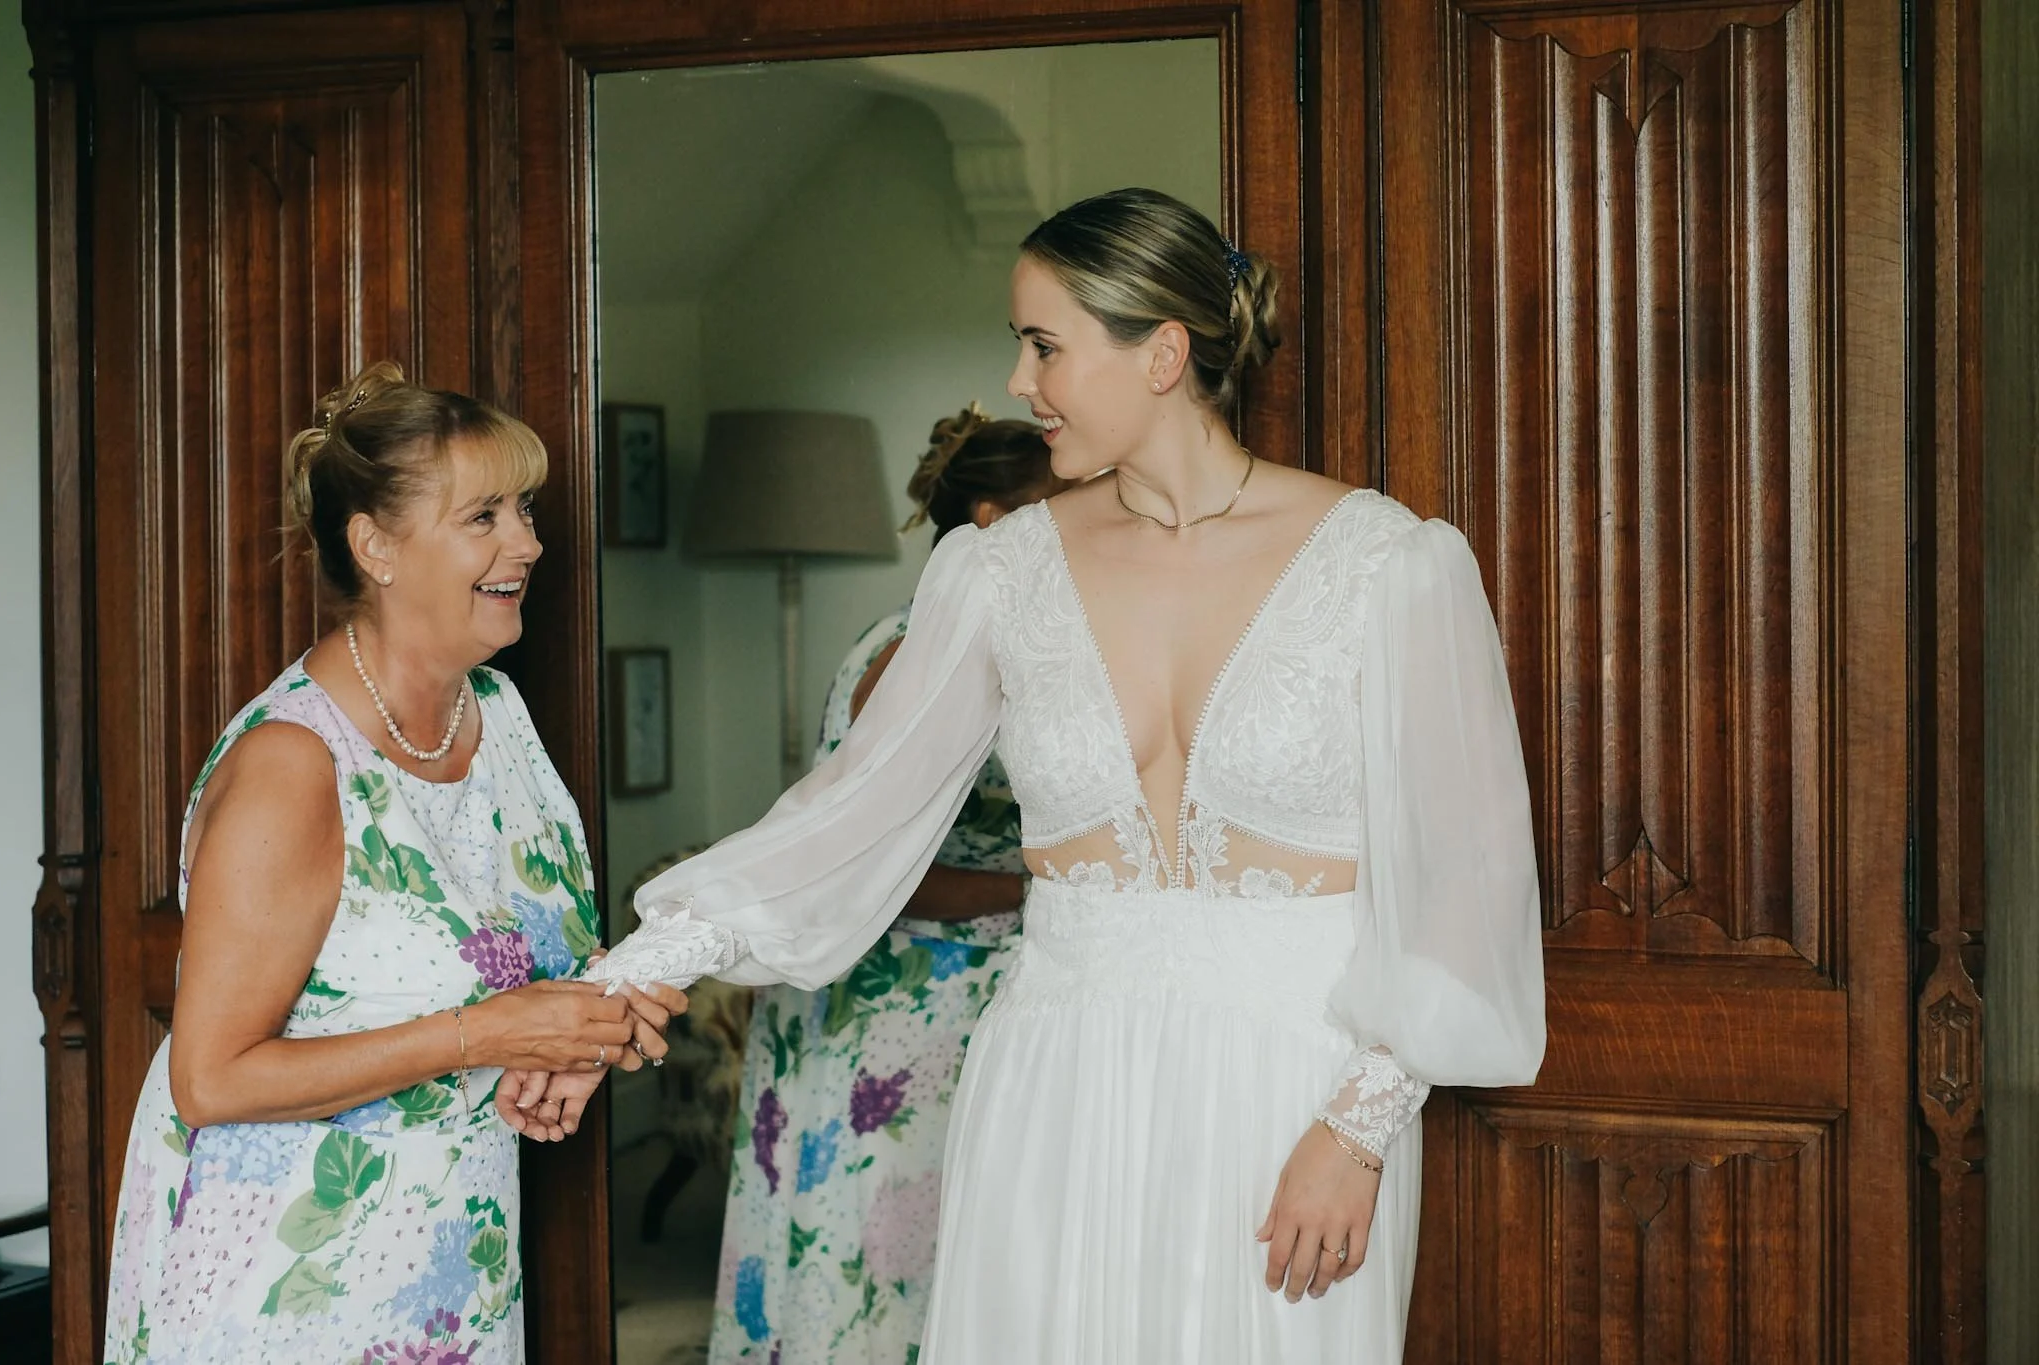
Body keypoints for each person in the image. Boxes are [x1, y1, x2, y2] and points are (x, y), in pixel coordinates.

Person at [581, 187, 1546, 1364]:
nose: (1021, 382)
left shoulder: (1389, 564)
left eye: (1043, 345)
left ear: (1164, 354)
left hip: (1294, 1090)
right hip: (1053, 1079)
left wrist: (1355, 1133)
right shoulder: (998, 574)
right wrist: (636, 972)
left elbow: (1463, 883)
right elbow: (846, 817)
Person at [103, 362, 685, 1364]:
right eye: (485, 517)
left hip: (449, 1272)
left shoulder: (496, 716)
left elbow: (527, 979)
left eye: (526, 509)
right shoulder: (293, 764)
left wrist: (592, 1029)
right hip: (285, 1288)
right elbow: (211, 1079)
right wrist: (483, 1034)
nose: (529, 543)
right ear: (374, 545)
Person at [709, 405, 1067, 1364]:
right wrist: (1049, 892)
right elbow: (871, 873)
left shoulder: (1036, 649)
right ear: (992, 521)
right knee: (879, 1264)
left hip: (967, 1002)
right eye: (1059, 507)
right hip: (891, 1007)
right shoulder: (912, 654)